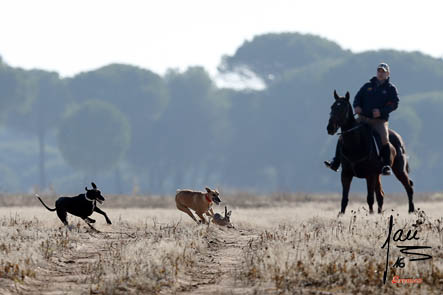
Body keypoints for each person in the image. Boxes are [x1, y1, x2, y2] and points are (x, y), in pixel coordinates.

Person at [324, 62, 399, 175]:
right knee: (344, 134)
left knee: (384, 138)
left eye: (383, 72)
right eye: (379, 71)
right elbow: (357, 98)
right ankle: (336, 161)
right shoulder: (367, 86)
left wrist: (381, 112)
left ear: (388, 73)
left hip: (379, 121)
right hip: (363, 118)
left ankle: (386, 165)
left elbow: (394, 104)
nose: (380, 73)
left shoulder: (391, 89)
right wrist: (357, 106)